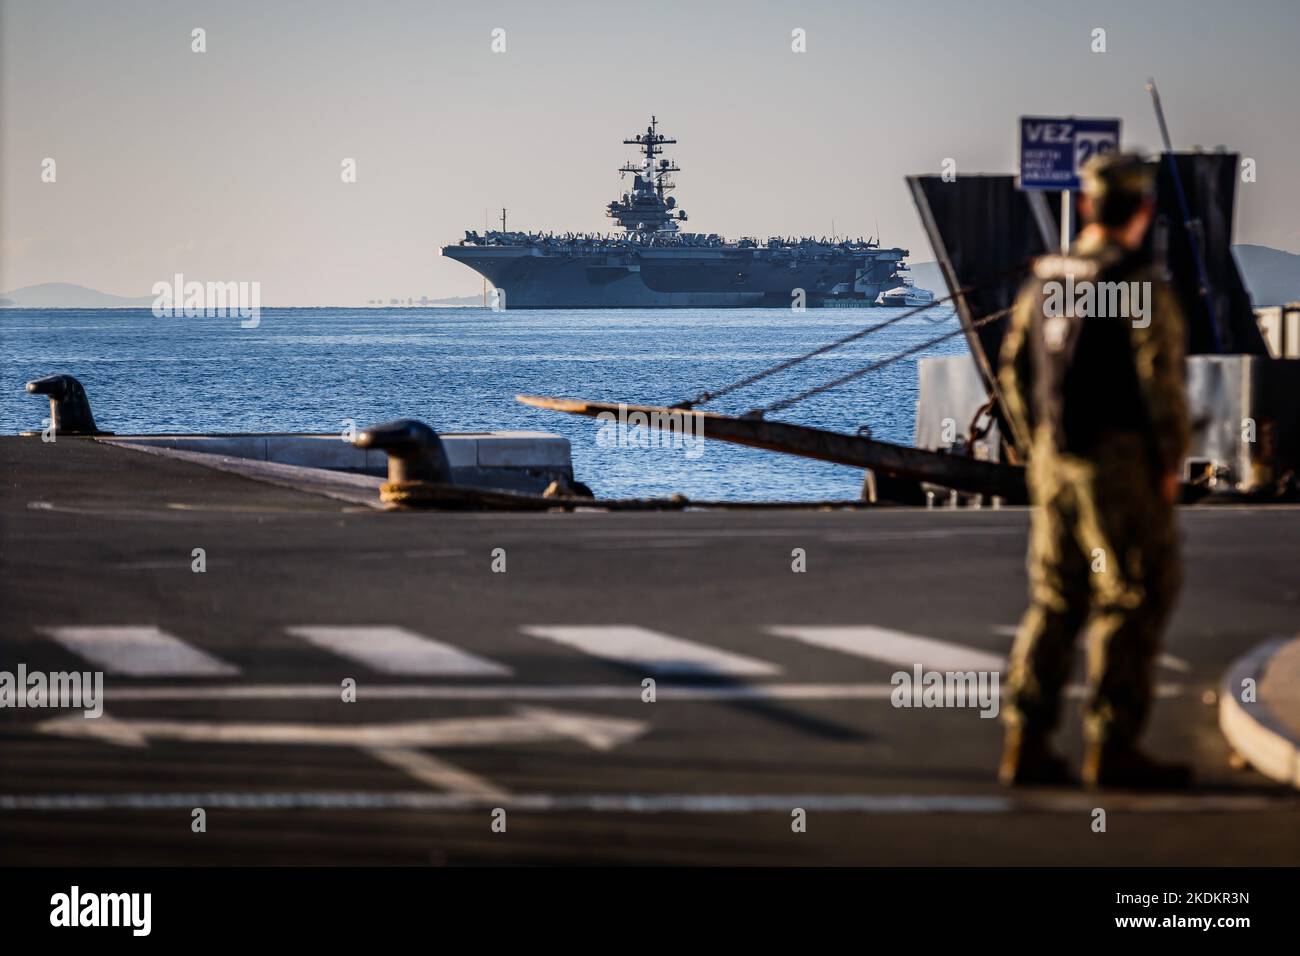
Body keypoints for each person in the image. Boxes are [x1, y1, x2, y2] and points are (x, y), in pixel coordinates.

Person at [997, 152, 1191, 790]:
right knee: (1133, 592)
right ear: (1144, 209)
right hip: (1118, 463)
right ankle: (1111, 745)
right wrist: (1169, 460)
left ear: (1084, 204)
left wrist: (1035, 448)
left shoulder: (1049, 278)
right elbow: (1158, 378)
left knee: (1055, 597)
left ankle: (1024, 741)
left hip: (1056, 462)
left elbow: (1014, 369)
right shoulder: (1135, 279)